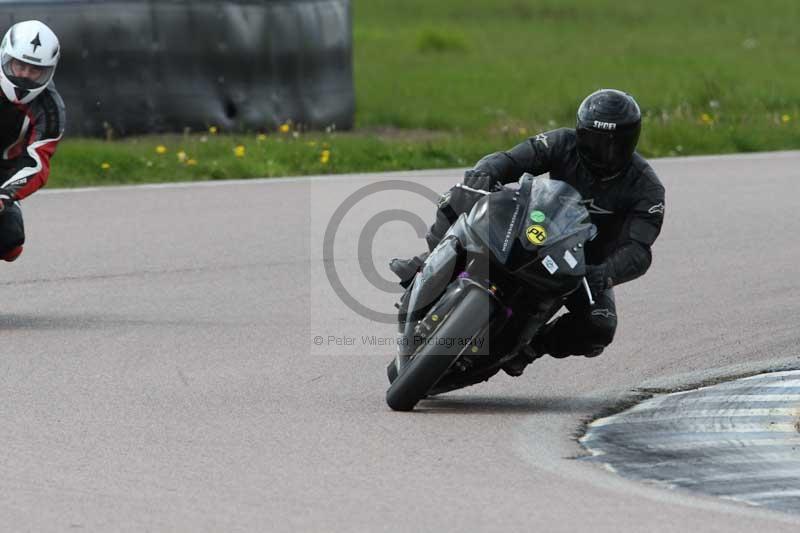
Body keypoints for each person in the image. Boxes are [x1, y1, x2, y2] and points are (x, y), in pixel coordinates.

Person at [391, 89, 665, 376]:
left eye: (613, 145)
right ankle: (429, 262)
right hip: (533, 230)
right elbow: (510, 160)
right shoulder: (561, 142)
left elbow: (639, 250)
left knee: (600, 325)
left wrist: (604, 273)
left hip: (582, 268)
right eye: (593, 141)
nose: (602, 153)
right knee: (459, 197)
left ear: (630, 141)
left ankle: (531, 347)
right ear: (580, 132)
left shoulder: (647, 187)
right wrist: (484, 175)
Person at [0, 20, 65, 262]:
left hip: (3, 172)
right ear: (6, 57)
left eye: (34, 70)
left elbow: (36, 163)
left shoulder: (50, 109)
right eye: (19, 66)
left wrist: (4, 195)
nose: (25, 75)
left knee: (10, 243)